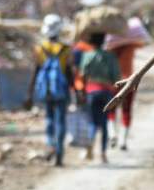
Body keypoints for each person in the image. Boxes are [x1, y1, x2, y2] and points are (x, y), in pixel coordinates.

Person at [26, 14, 74, 166]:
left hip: (46, 90)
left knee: (49, 119)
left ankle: (51, 144)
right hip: (62, 90)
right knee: (61, 121)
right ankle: (59, 153)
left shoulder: (39, 49)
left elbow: (36, 70)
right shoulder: (66, 49)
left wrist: (29, 93)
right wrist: (76, 91)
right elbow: (69, 72)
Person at [78, 31, 120, 163]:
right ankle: (103, 153)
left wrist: (83, 93)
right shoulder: (110, 57)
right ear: (103, 42)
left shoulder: (87, 56)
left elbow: (83, 75)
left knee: (92, 122)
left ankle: (89, 146)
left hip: (91, 91)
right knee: (104, 122)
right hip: (106, 92)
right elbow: (116, 77)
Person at [106, 17, 148, 151]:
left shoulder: (110, 49)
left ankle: (112, 133)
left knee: (111, 109)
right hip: (129, 82)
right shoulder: (131, 46)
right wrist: (128, 36)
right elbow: (143, 43)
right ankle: (123, 141)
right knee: (127, 110)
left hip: (113, 82)